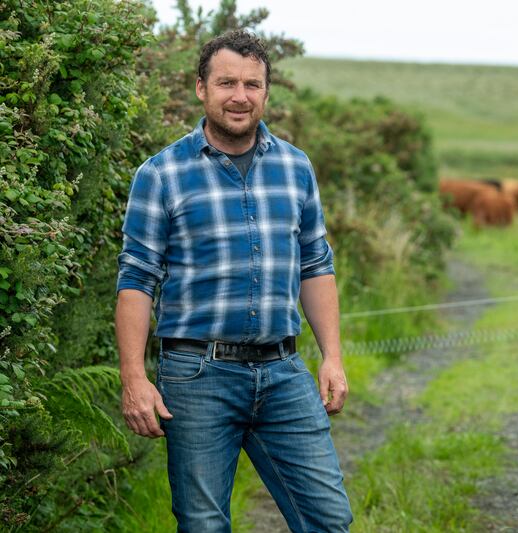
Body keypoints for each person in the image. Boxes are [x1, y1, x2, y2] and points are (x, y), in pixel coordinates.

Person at [115, 30, 353, 533]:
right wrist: (134, 379)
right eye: (226, 83)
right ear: (201, 88)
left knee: (329, 520)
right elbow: (136, 279)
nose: (240, 96)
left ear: (266, 91)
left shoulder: (295, 167)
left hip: (284, 372)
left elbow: (315, 264)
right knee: (203, 525)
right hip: (197, 377)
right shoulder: (160, 174)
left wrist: (332, 356)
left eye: (252, 84)